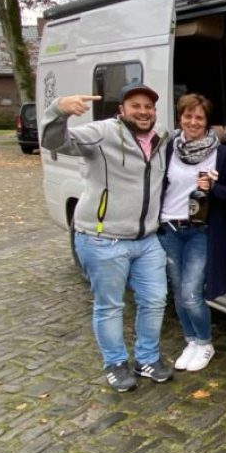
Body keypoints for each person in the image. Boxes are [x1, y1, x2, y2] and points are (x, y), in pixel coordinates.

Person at [41, 84, 173, 391]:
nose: (143, 111)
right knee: (110, 306)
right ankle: (115, 363)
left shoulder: (161, 137)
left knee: (155, 301)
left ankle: (147, 359)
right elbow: (53, 141)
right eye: (136, 106)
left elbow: (191, 137)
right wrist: (59, 109)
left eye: (149, 106)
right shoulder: (102, 133)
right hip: (103, 240)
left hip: (147, 239)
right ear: (122, 110)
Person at [159, 94, 226, 372]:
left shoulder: (222, 154)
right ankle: (191, 340)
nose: (193, 122)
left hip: (199, 231)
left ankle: (205, 343)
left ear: (207, 122)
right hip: (170, 228)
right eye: (188, 116)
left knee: (191, 292)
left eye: (199, 117)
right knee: (178, 291)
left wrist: (213, 189)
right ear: (180, 118)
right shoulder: (168, 148)